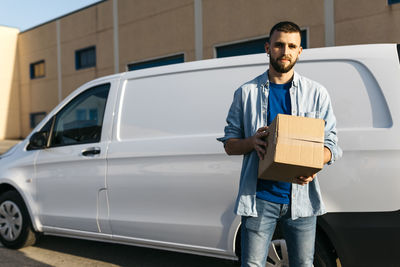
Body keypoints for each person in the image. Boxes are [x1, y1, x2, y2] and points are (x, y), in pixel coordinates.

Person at [217, 21, 342, 267]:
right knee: (251, 264)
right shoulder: (246, 93)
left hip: (302, 200)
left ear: (299, 51)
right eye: (279, 45)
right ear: (268, 48)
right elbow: (230, 145)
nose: (285, 51)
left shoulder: (316, 93)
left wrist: (314, 163)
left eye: (291, 46)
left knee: (303, 265)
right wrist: (252, 142)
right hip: (259, 199)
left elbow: (332, 145)